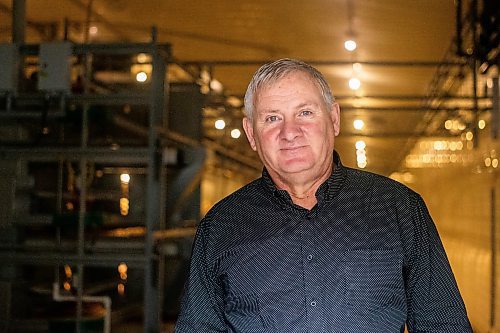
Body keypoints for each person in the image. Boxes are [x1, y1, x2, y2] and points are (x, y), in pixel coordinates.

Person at [174, 59, 472, 332]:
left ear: (334, 119)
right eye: (272, 118)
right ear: (251, 134)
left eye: (305, 112)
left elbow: (443, 323)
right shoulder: (221, 225)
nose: (290, 132)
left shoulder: (400, 208)